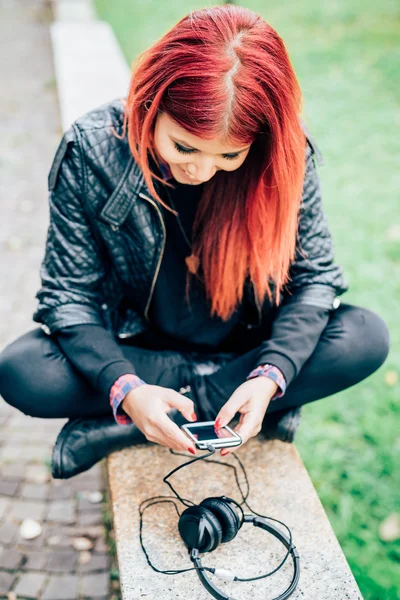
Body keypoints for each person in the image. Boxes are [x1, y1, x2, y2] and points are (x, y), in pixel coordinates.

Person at [0, 5, 390, 480]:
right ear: (151, 100)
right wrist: (127, 389)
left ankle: (130, 424)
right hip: (142, 351)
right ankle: (201, 409)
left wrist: (268, 376)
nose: (201, 170)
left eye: (229, 155)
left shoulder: (284, 156)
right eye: (184, 146)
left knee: (365, 335)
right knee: (24, 370)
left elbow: (315, 280)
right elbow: (67, 297)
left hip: (242, 351)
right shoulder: (91, 149)